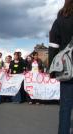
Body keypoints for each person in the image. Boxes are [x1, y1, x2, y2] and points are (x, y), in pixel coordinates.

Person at [49, 0, 73, 133]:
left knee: (66, 105)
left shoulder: (60, 20)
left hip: (67, 68)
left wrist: (52, 70)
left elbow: (53, 46)